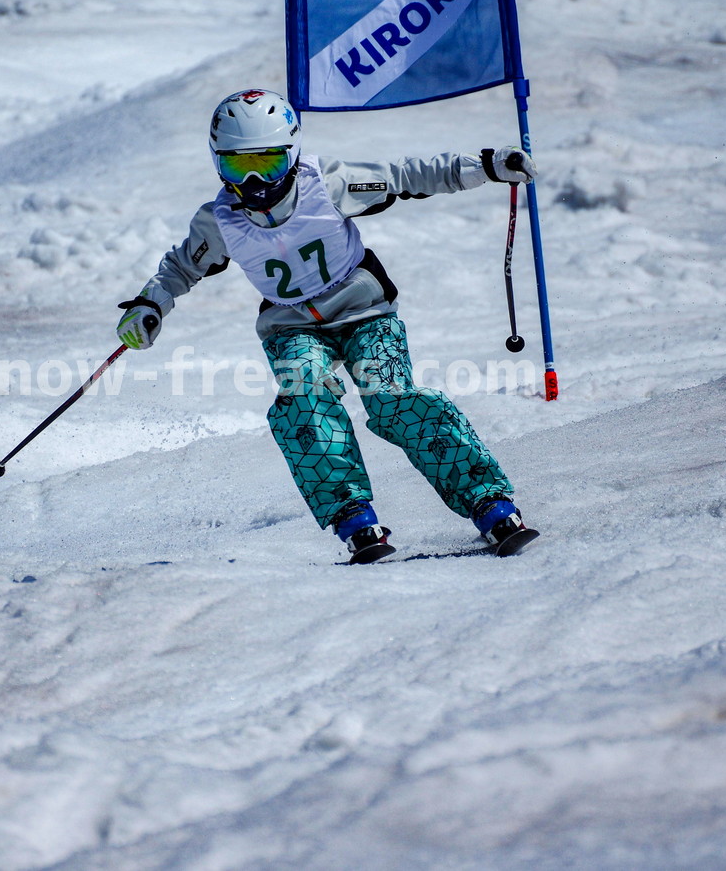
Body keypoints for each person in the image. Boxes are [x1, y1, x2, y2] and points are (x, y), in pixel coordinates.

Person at [116, 88, 539, 563]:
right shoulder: (220, 222)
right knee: (305, 397)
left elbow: (406, 177)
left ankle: (489, 503)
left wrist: (485, 165)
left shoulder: (328, 185)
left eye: (270, 164)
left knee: (391, 396)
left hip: (365, 311)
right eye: (238, 167)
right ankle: (353, 517)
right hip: (290, 326)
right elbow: (180, 267)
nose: (255, 181)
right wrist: (150, 305)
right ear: (217, 164)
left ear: (293, 155)